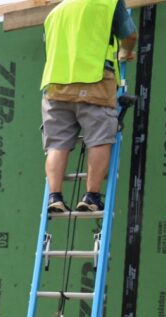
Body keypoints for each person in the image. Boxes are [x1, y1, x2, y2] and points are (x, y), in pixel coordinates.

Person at [42, 0, 137, 213]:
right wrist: (124, 53)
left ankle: (54, 197)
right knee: (100, 138)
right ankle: (92, 196)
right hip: (94, 81)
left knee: (57, 144)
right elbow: (130, 36)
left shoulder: (56, 12)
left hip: (56, 86)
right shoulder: (108, 3)